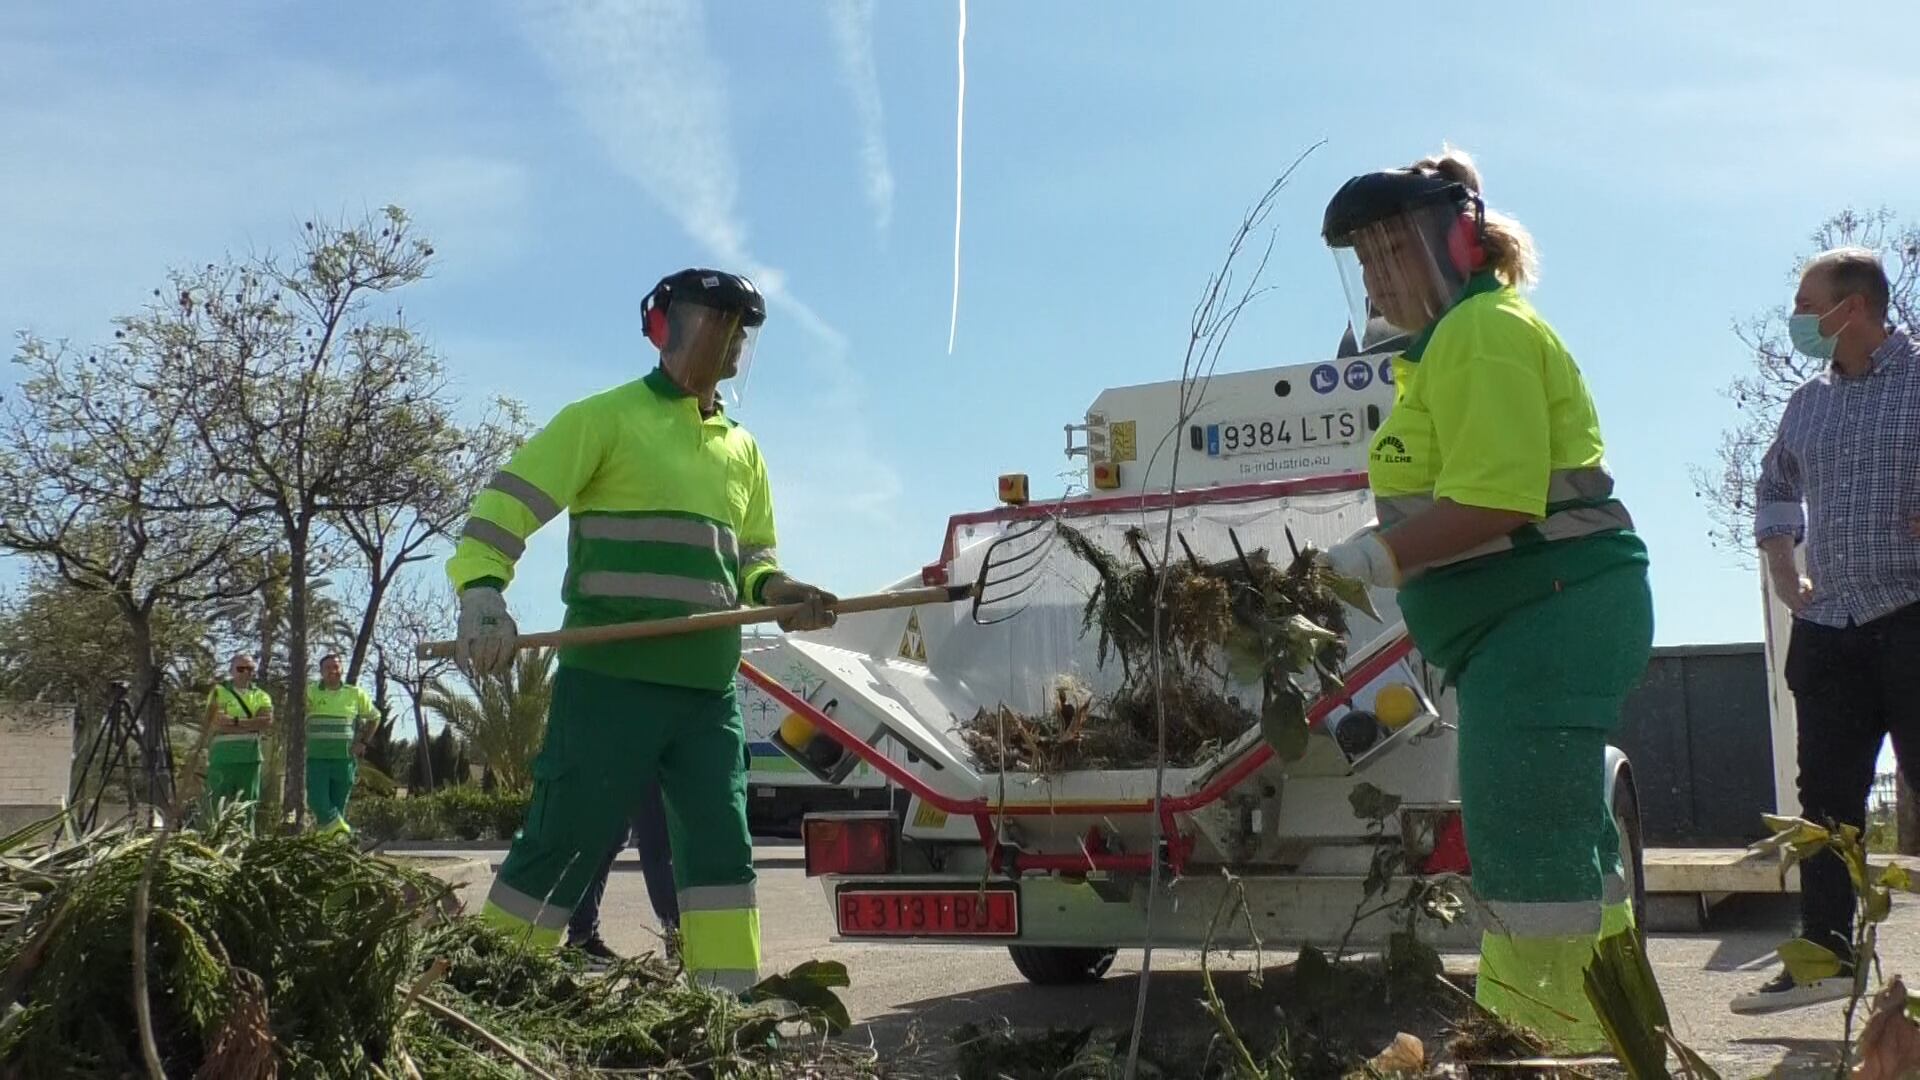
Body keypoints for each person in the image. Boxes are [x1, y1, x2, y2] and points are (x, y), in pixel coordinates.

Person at [1316, 147, 1653, 1050]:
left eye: (1390, 255)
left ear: (1455, 244)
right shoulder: (1444, 350)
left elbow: (1497, 500)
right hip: (1535, 618)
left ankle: (1546, 1048)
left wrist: (1376, 556)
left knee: (1532, 854)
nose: (1375, 283)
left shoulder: (1481, 333)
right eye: (1363, 265)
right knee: (1559, 844)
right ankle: (1598, 1037)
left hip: (1544, 616)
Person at [446, 267, 837, 993]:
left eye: (740, 331)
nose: (729, 342)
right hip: (609, 686)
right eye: (716, 323)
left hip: (706, 695)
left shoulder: (742, 451)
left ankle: (724, 1009)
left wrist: (780, 592)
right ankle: (488, 987)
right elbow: (504, 507)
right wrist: (482, 592)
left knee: (722, 857)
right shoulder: (604, 419)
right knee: (562, 842)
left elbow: (752, 562)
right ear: (665, 327)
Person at [1733, 248, 1920, 1014]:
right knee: (1826, 810)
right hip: (1829, 628)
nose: (1797, 320)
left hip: (1910, 615)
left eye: (1807, 305)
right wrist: (1783, 564)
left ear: (1854, 308)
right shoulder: (1806, 403)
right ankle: (1826, 961)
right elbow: (1776, 483)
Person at [565, 781, 681, 962]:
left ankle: (581, 937)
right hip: (642, 766)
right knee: (654, 837)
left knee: (607, 836)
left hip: (611, 768)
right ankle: (676, 930)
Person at [307, 652, 380, 835]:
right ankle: (344, 831)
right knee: (317, 801)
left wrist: (363, 742)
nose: (332, 671)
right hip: (317, 758)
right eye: (328, 667)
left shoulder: (354, 693)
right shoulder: (310, 691)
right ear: (321, 671)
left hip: (344, 759)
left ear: (342, 669)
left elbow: (375, 717)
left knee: (339, 806)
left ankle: (333, 844)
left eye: (336, 667)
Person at [202, 652, 274, 830]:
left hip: (250, 758)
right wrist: (250, 723)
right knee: (216, 804)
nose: (245, 672)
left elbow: (266, 722)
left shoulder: (262, 695)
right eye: (241, 668)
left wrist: (233, 721)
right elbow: (217, 722)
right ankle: (214, 840)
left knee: (248, 806)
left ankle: (246, 841)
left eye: (250, 669)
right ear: (231, 670)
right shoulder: (218, 692)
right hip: (222, 758)